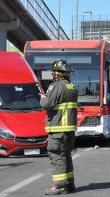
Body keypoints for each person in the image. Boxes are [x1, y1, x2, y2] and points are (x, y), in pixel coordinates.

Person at [40, 60, 78, 195]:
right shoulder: (71, 87)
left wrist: (43, 98)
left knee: (57, 156)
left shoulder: (55, 86)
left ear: (57, 73)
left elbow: (47, 104)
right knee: (66, 155)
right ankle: (69, 184)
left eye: (54, 72)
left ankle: (60, 186)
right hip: (69, 129)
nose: (53, 75)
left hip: (57, 129)